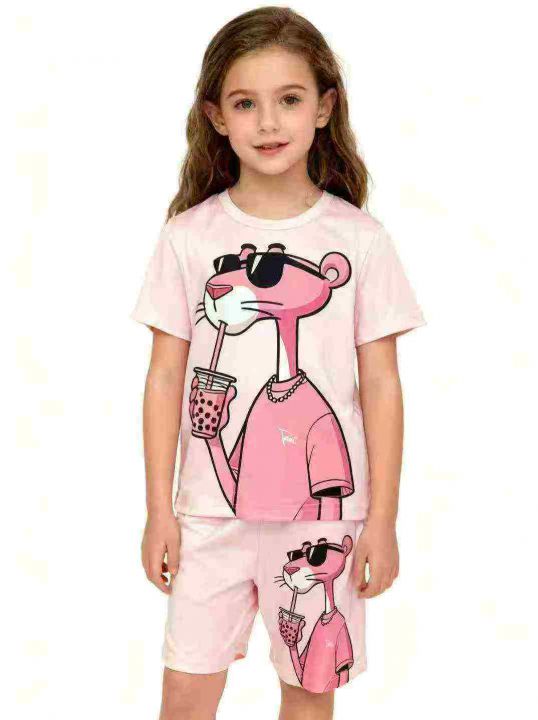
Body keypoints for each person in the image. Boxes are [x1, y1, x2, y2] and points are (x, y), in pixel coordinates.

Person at [131, 6, 427, 719]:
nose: (268, 122)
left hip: (323, 525)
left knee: (308, 691)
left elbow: (381, 386)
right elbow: (165, 378)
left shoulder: (359, 240)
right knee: (185, 692)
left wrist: (381, 521)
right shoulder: (188, 239)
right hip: (208, 515)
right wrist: (158, 511)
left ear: (323, 108)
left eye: (288, 99)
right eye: (244, 103)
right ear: (216, 116)